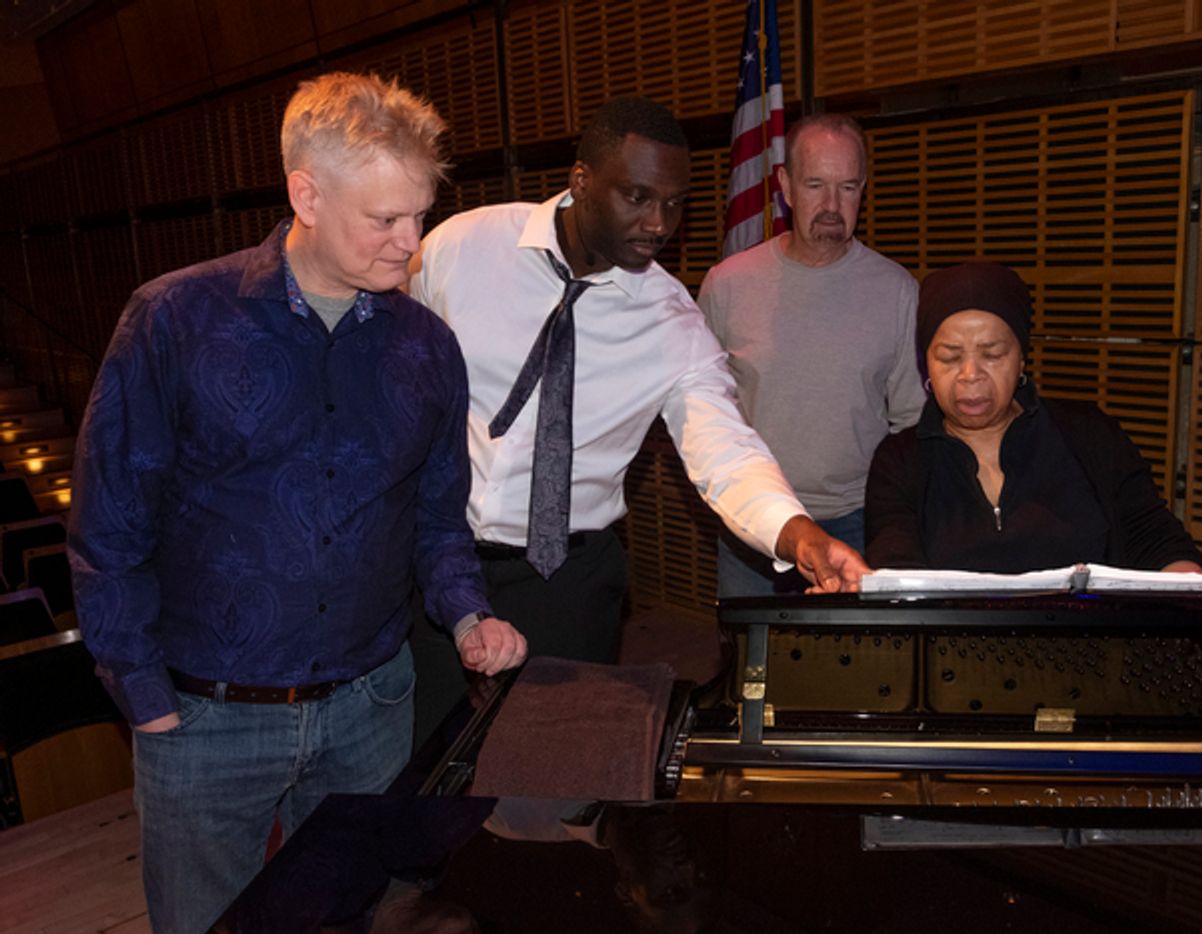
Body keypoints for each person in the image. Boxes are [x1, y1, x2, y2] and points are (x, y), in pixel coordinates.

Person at [68, 72, 527, 934]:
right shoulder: (175, 320)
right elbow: (109, 529)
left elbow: (436, 520)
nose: (410, 244)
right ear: (306, 195)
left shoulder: (428, 347)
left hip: (371, 712)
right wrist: (144, 698)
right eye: (385, 219)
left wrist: (468, 613)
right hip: (204, 721)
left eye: (420, 216)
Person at [410, 96, 867, 666]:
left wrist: (800, 535)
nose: (659, 224)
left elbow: (726, 453)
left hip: (568, 578)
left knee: (564, 726)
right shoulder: (461, 248)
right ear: (582, 181)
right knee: (433, 723)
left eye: (675, 204)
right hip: (436, 557)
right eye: (637, 197)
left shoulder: (670, 321)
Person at [699, 113, 924, 596]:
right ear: (785, 185)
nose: (831, 205)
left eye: (848, 187)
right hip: (754, 525)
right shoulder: (728, 285)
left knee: (845, 648)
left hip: (855, 522)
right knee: (749, 645)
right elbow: (705, 415)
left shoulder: (897, 291)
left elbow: (911, 422)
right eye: (816, 185)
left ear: (863, 189)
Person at [864, 261, 1202, 573]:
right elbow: (897, 572)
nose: (970, 375)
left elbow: (1154, 537)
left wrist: (1186, 585)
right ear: (926, 363)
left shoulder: (1088, 434)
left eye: (992, 354)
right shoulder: (899, 462)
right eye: (949, 358)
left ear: (1021, 360)